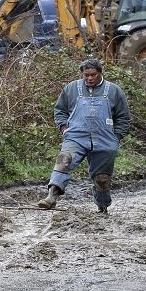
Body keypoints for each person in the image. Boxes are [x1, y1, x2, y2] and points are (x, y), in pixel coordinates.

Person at [37, 59, 131, 213]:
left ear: (100, 73)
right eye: (86, 75)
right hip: (76, 136)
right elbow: (60, 110)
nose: (89, 78)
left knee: (102, 179)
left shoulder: (114, 91)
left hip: (105, 140)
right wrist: (63, 127)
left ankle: (102, 207)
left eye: (93, 75)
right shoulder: (71, 89)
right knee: (64, 160)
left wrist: (117, 137)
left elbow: (123, 117)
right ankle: (51, 197)